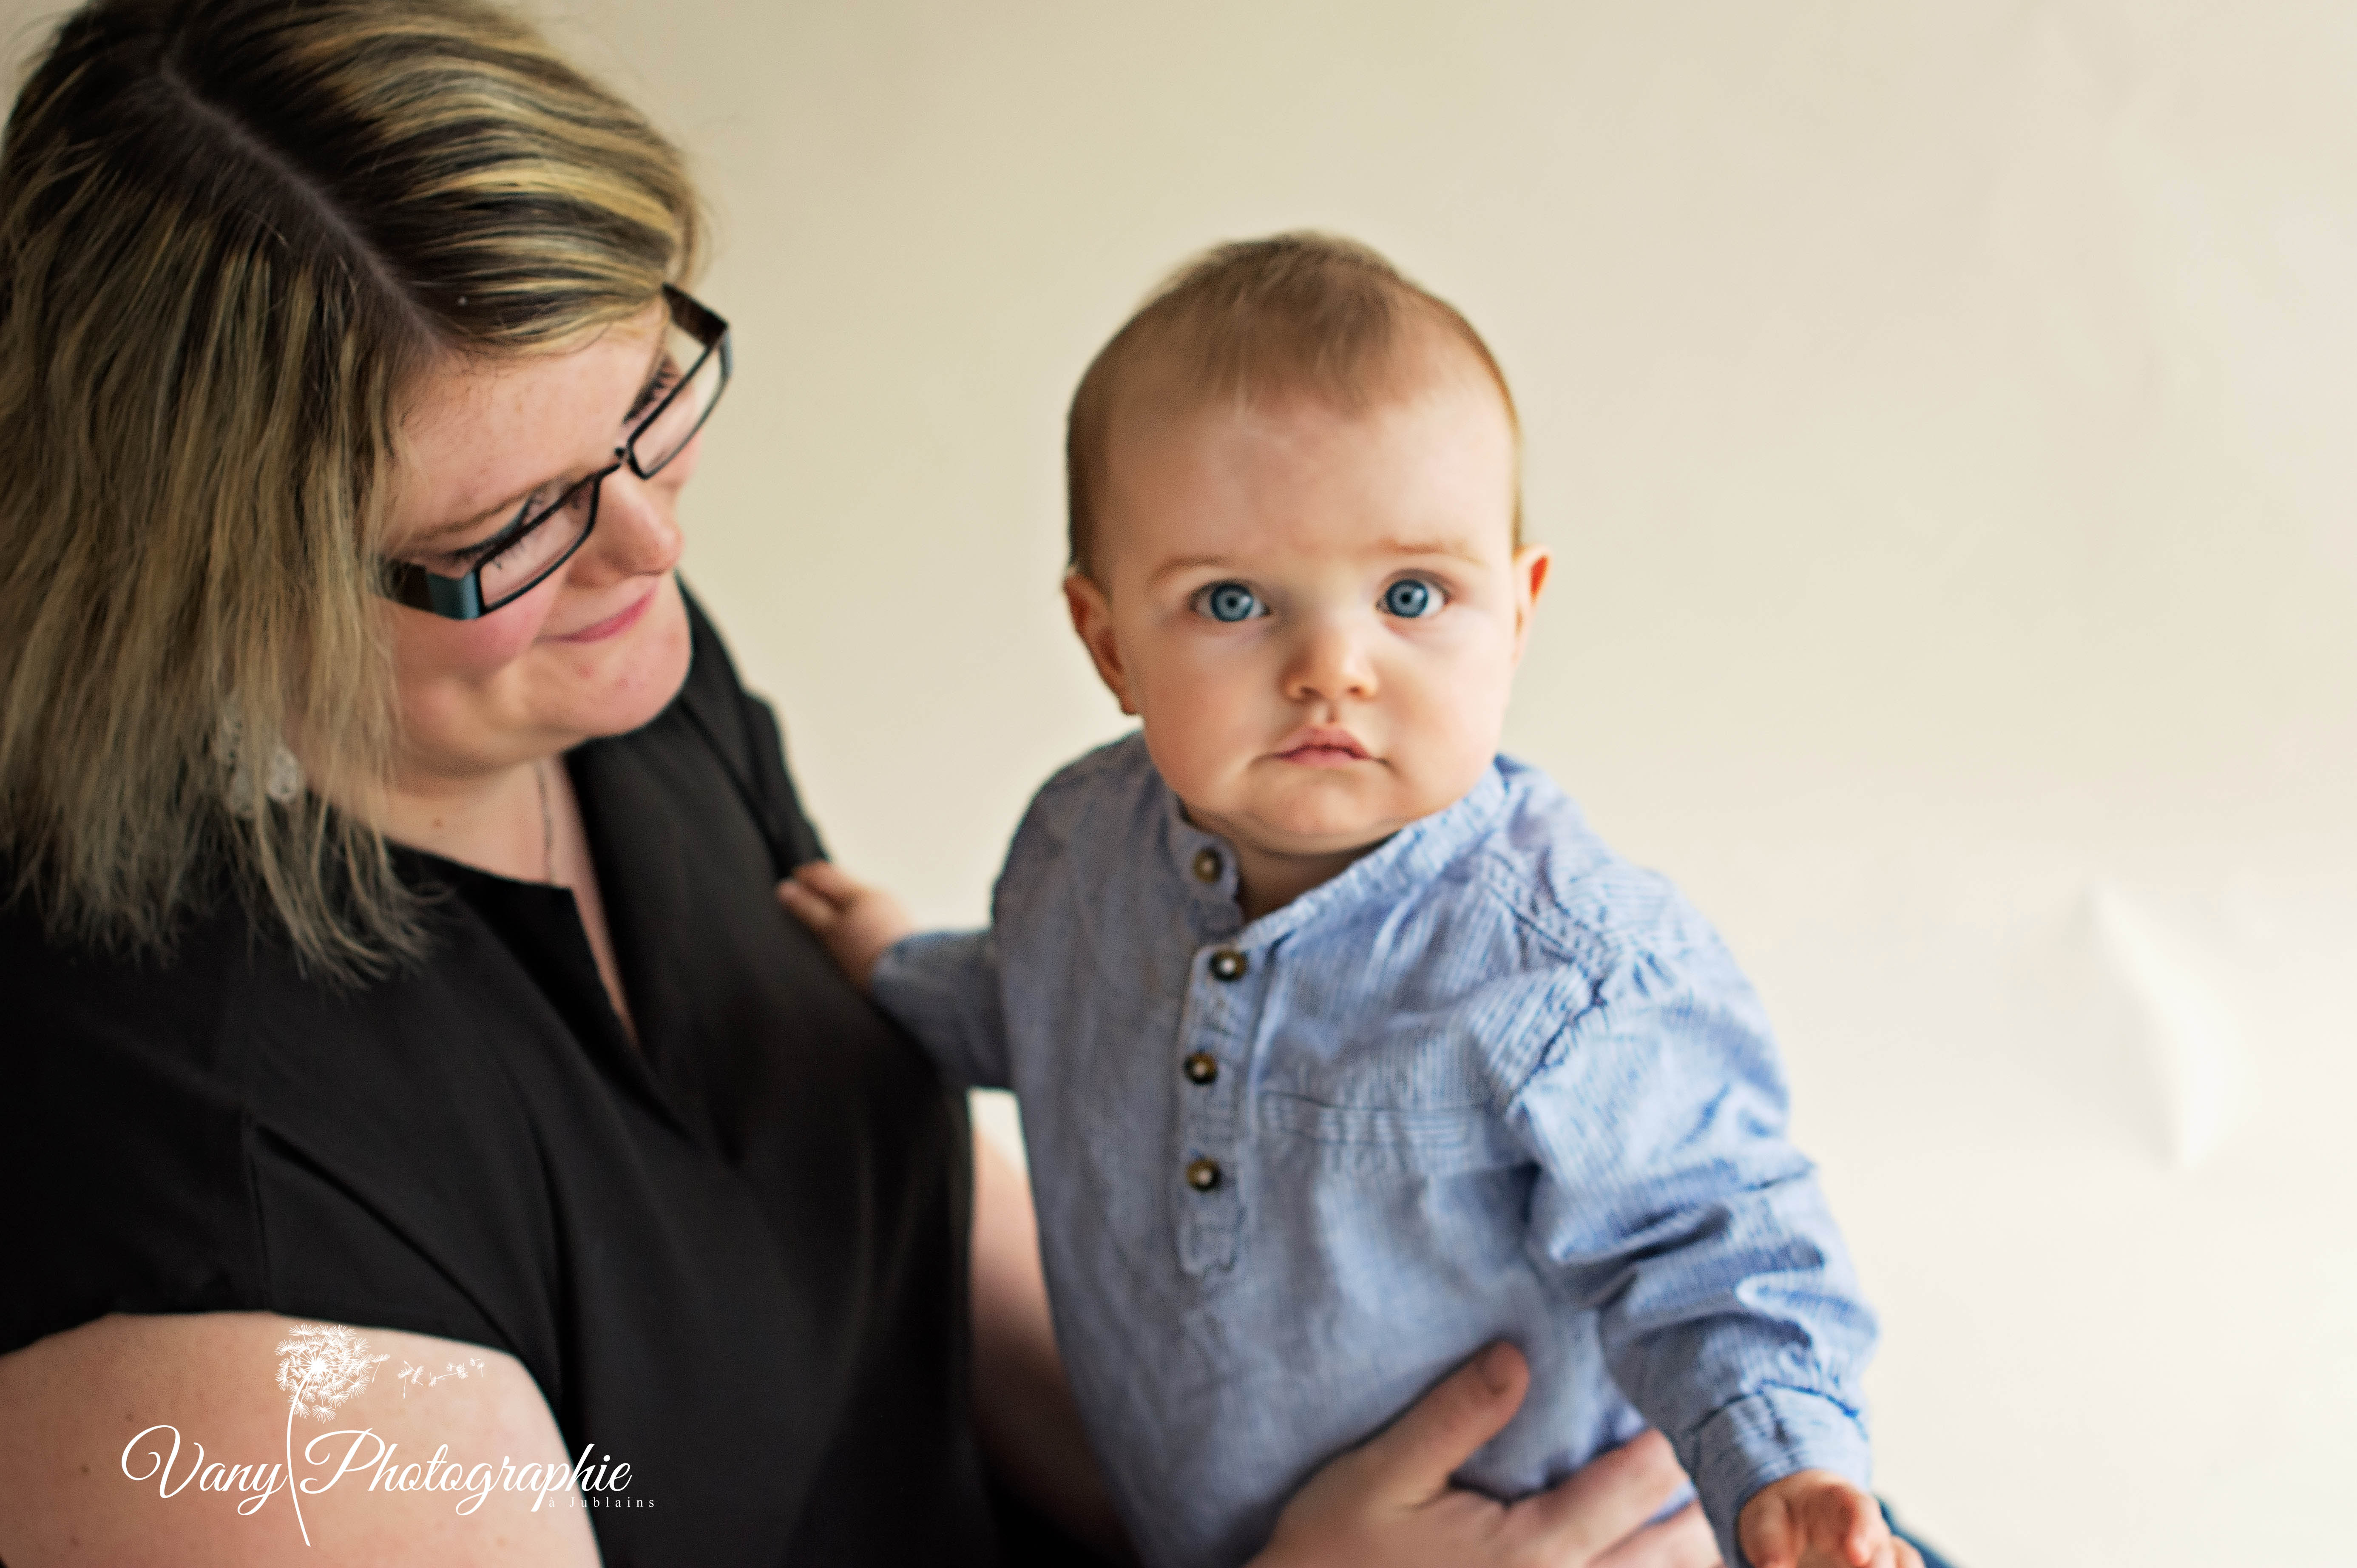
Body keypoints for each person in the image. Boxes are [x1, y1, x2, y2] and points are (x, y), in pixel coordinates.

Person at [0, 4, 1727, 1565]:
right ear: (209, 580)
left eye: (649, 402)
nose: (653, 540)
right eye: (508, 527)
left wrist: (1486, 1495)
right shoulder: (213, 1265)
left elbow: (898, 1258)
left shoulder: (607, 696)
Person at [783, 236, 1930, 1568]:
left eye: (1410, 595)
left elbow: (1715, 1238)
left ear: (1515, 612)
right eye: (1231, 600)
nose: (1332, 666)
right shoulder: (1080, 846)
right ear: (1108, 643)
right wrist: (893, 970)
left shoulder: (1568, 968)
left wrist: (1782, 1465)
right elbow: (1047, 1001)